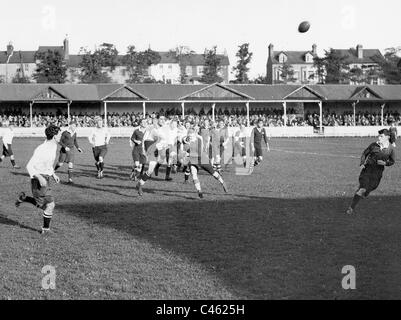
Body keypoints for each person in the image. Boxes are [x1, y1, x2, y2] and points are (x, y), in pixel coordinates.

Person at [15, 124, 61, 235]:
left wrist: (53, 174)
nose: (61, 136)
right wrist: (40, 177)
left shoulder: (54, 146)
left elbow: (48, 164)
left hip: (46, 178)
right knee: (49, 205)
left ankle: (24, 198)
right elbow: (29, 166)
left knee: (44, 205)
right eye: (59, 133)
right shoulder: (42, 149)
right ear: (55, 136)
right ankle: (45, 230)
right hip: (38, 180)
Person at [346, 129, 396, 214]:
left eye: (381, 136)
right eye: (379, 136)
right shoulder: (373, 145)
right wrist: (362, 163)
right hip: (367, 170)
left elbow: (392, 161)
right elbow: (364, 153)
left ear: (387, 137)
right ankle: (351, 208)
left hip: (378, 173)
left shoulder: (391, 149)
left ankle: (363, 192)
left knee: (370, 188)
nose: (379, 137)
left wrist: (385, 163)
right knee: (362, 189)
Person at [182, 127, 228, 198]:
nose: (190, 137)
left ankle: (223, 183)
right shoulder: (185, 140)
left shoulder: (199, 139)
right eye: (189, 135)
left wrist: (189, 153)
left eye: (191, 135)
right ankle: (199, 191)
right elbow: (185, 149)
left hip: (202, 159)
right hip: (193, 160)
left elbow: (199, 153)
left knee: (213, 173)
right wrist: (185, 152)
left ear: (195, 134)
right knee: (194, 175)